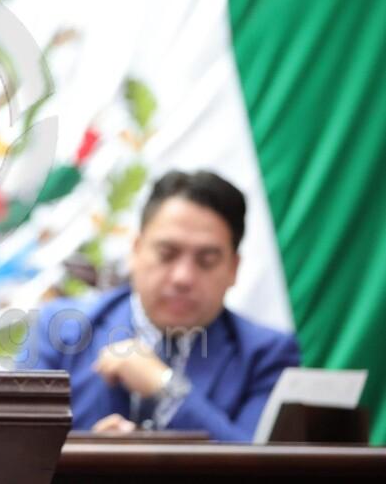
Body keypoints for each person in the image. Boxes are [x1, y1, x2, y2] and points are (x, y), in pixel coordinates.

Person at [17, 170, 300, 441]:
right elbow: (17, 450)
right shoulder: (57, 330)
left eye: (206, 261)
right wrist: (91, 457)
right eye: (167, 254)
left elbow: (259, 463)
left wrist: (165, 387)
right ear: (136, 250)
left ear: (233, 269)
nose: (183, 277)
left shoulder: (267, 354)